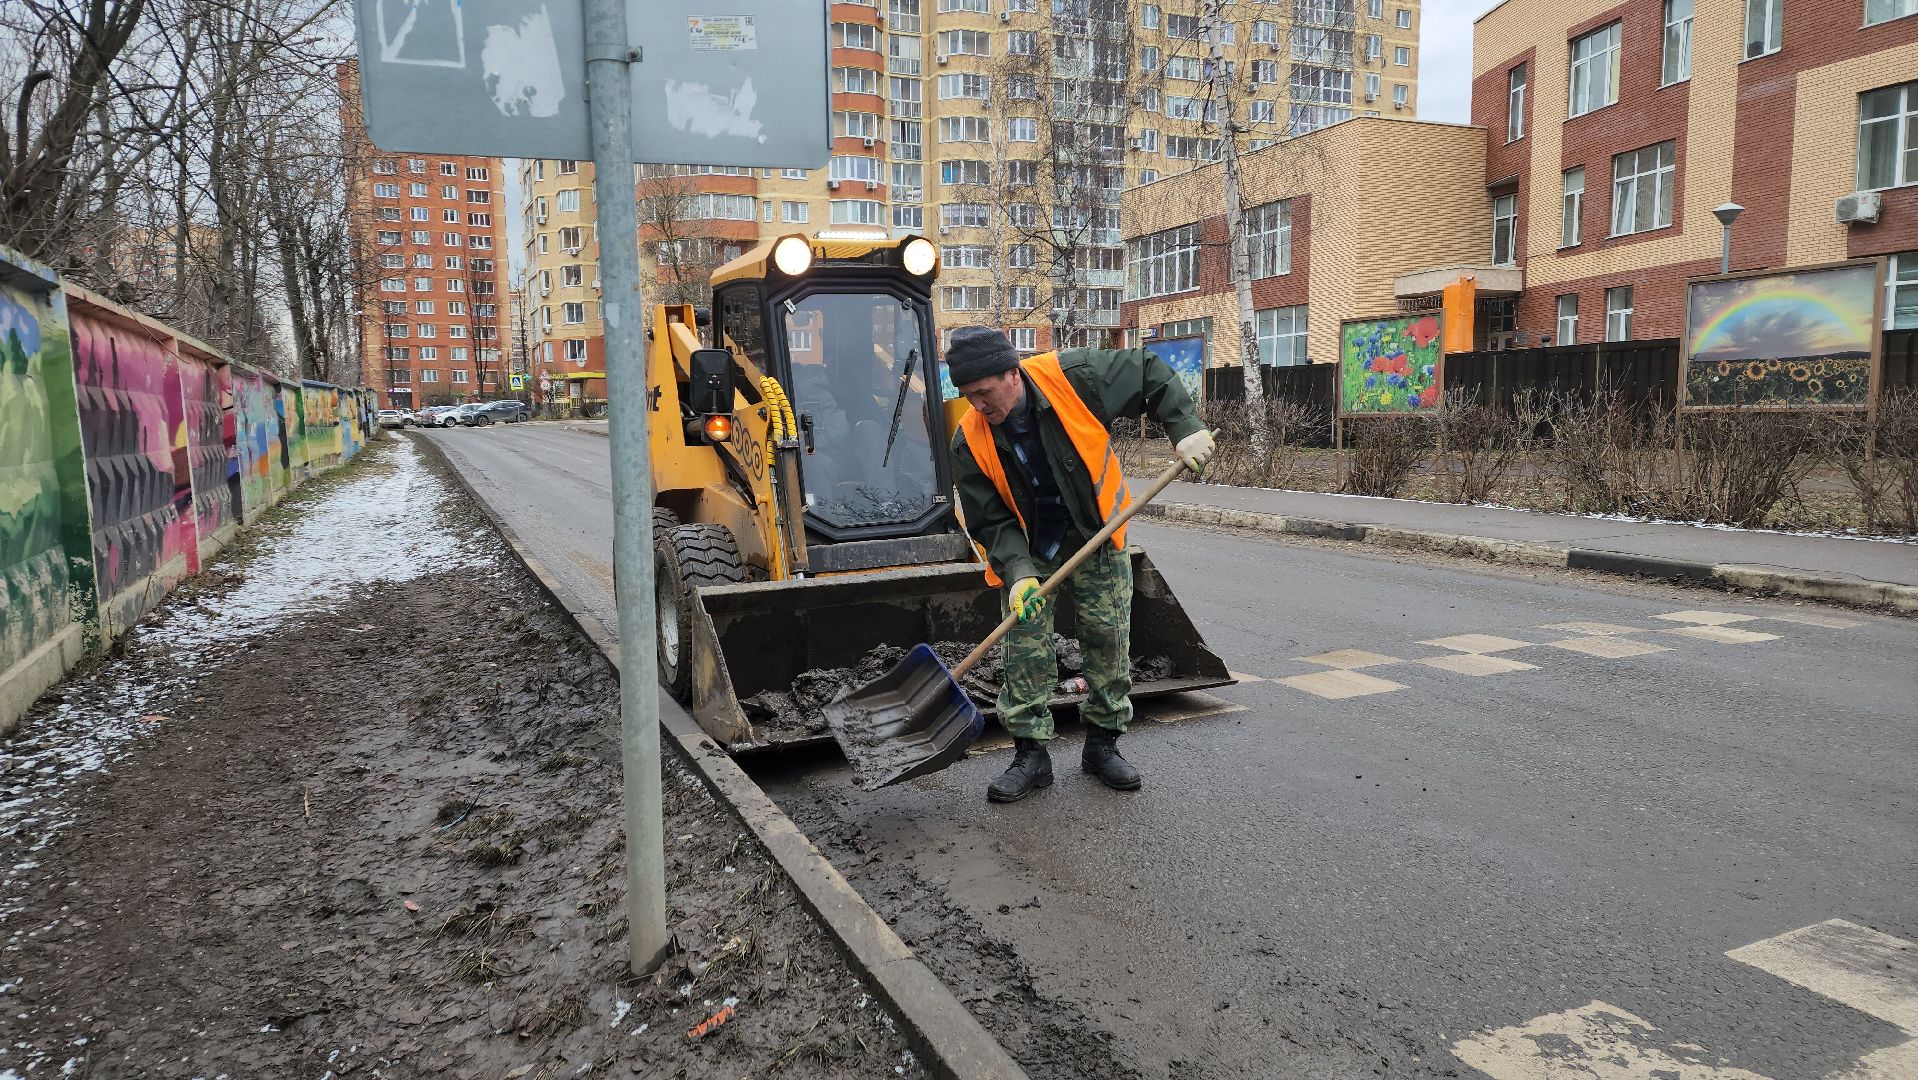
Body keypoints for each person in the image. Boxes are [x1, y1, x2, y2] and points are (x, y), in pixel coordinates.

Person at [946, 326, 1214, 803]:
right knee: (1024, 645)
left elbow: (1149, 373)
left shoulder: (1074, 376)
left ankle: (1102, 745)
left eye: (984, 393)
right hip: (1032, 548)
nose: (978, 406)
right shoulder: (969, 439)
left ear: (1013, 373)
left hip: (1097, 533)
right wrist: (1018, 573)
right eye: (968, 397)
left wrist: (1185, 426)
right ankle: (1030, 754)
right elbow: (989, 518)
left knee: (1108, 636)